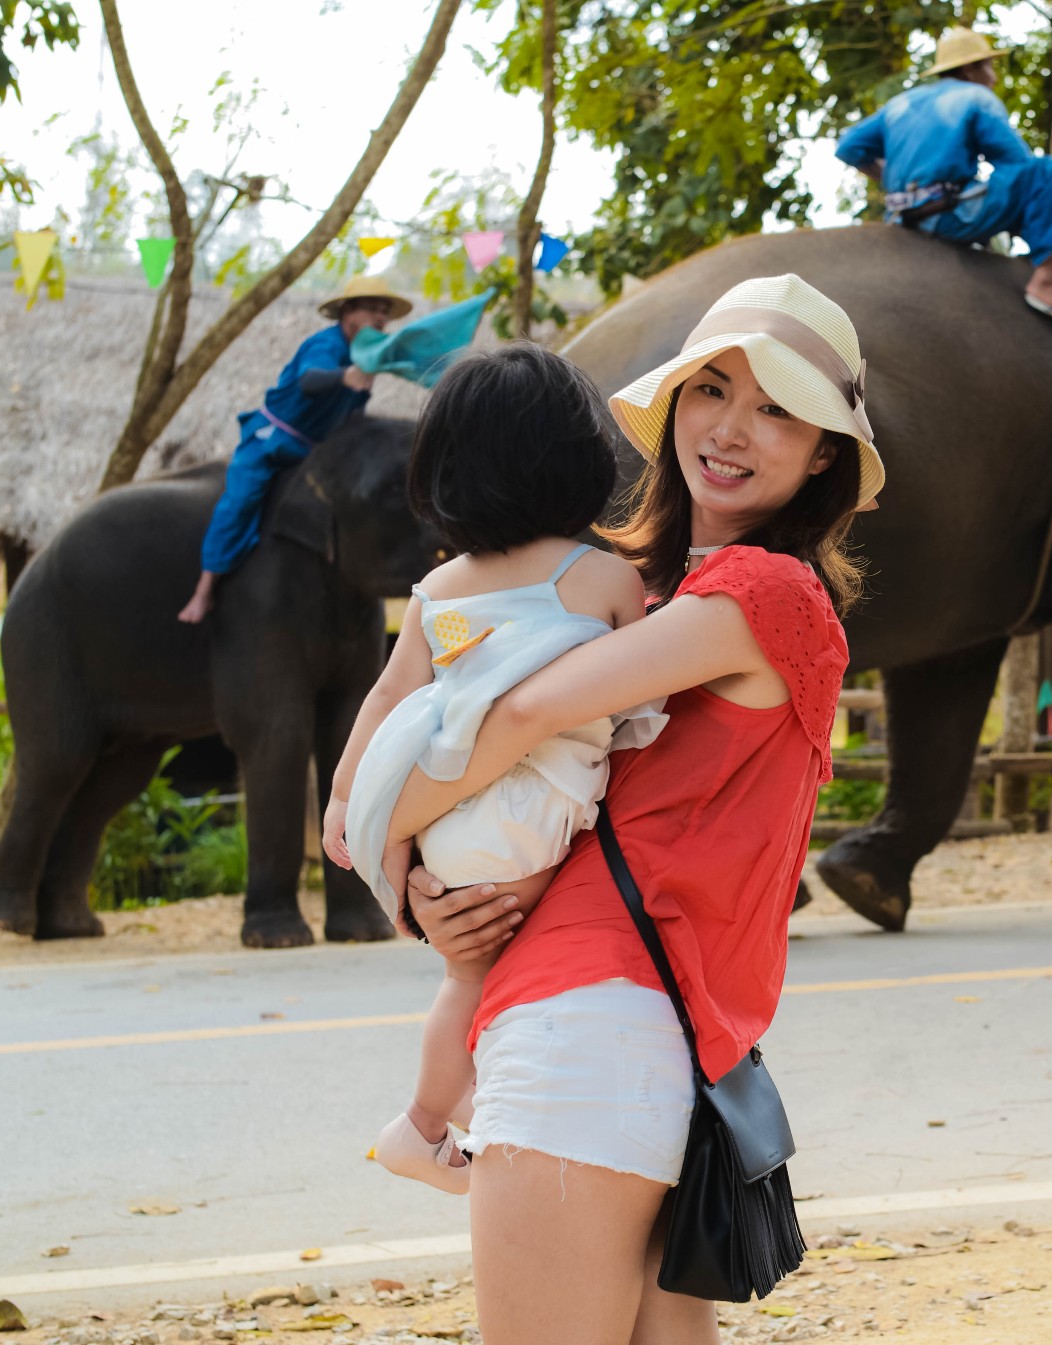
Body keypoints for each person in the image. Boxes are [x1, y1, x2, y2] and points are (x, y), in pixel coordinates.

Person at [381, 273, 879, 1343]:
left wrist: (371, 833)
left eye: (777, 408)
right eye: (710, 388)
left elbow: (510, 719)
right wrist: (430, 894)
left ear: (825, 451)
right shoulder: (614, 586)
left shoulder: (762, 594)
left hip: (589, 1028)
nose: (731, 428)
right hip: (627, 1030)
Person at [320, 345, 668, 1194]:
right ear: (582, 463)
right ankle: (429, 1118)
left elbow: (388, 696)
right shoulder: (606, 578)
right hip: (533, 810)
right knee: (492, 970)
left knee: (464, 971)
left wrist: (341, 797)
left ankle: (441, 1114)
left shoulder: (439, 589)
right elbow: (638, 704)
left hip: (447, 815)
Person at [177, 276, 409, 623]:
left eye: (384, 312)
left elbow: (352, 412)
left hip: (316, 451)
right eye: (372, 309)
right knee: (240, 500)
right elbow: (310, 381)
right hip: (272, 440)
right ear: (348, 312)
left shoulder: (366, 359)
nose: (380, 318)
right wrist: (345, 376)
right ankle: (204, 588)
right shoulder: (326, 345)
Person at [836, 26, 1052, 326]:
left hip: (901, 215)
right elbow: (1019, 165)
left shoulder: (901, 102)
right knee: (1048, 171)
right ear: (971, 69)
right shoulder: (976, 97)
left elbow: (848, 147)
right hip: (950, 216)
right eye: (989, 66)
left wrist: (889, 178)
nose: (994, 77)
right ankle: (1048, 278)